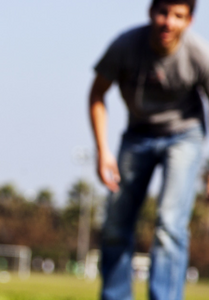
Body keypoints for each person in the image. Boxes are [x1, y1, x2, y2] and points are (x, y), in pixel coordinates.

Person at [88, 0, 209, 299]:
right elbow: (97, 94)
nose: (168, 22)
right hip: (137, 134)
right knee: (116, 223)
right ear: (151, 12)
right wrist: (103, 150)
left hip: (184, 135)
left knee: (169, 223)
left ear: (189, 20)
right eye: (163, 12)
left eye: (178, 16)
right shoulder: (126, 46)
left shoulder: (198, 54)